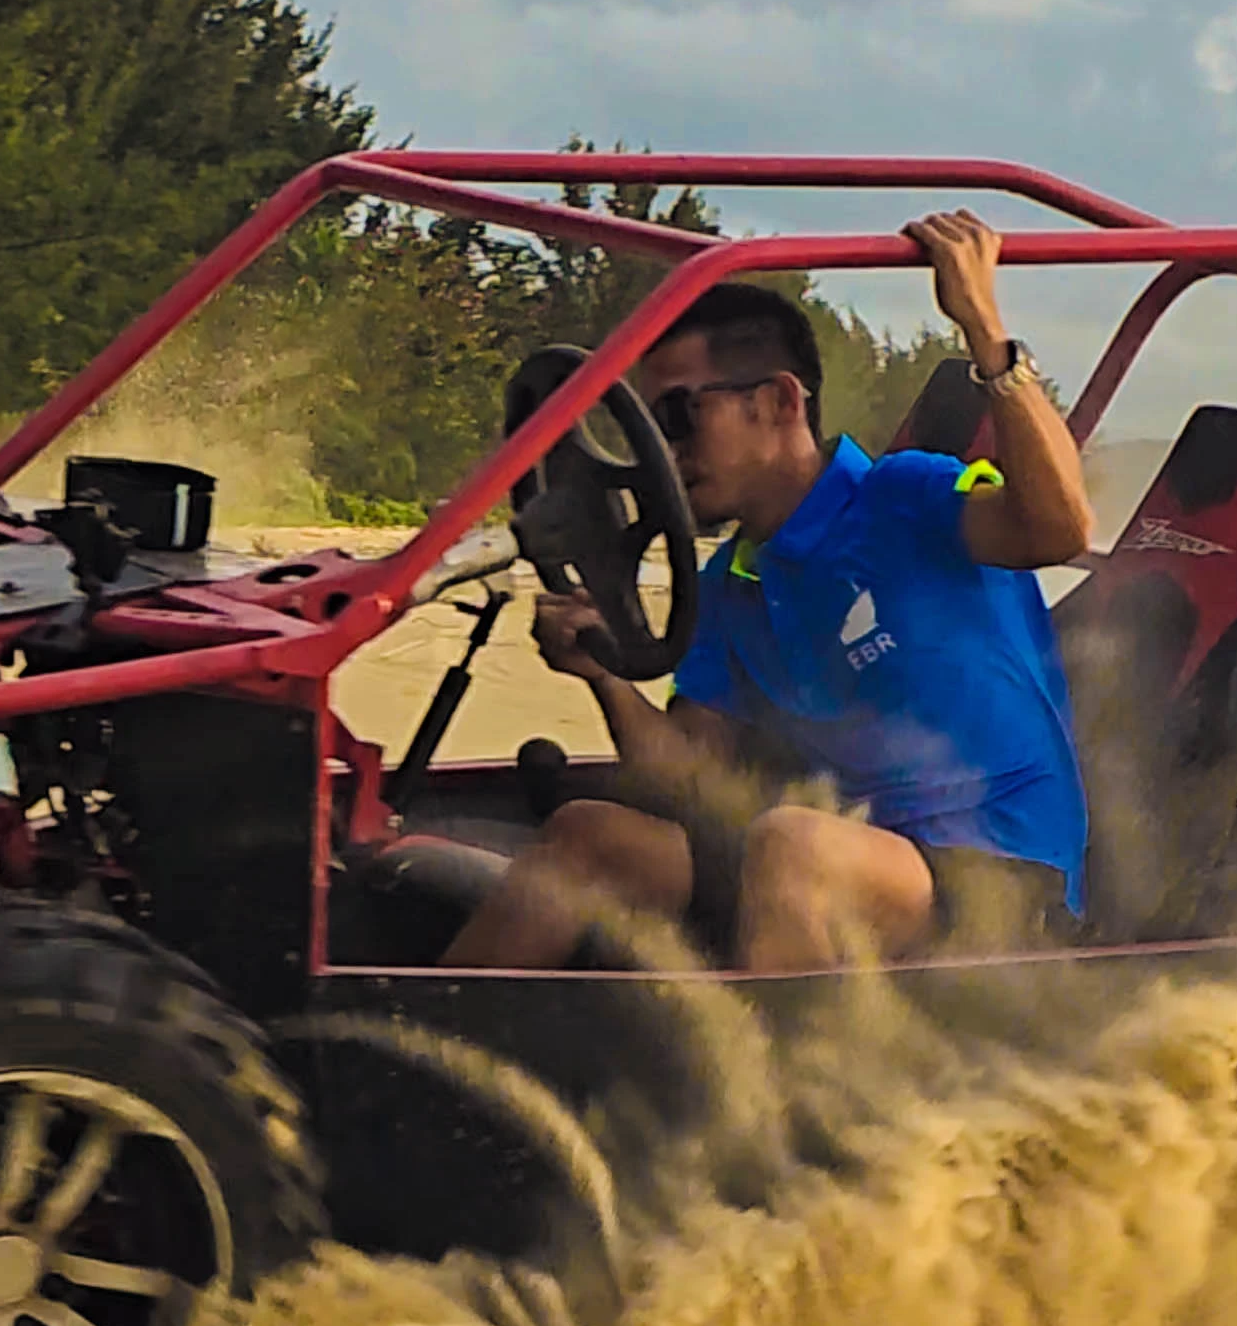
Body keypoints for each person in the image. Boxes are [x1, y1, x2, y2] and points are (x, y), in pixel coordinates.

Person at [441, 211, 1096, 972]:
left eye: (681, 418)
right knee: (591, 836)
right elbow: (689, 776)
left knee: (789, 843)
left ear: (780, 402)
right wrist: (603, 675)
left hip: (1004, 880)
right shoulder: (731, 585)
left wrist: (984, 330)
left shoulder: (907, 498)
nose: (664, 452)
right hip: (854, 868)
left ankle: (788, 1086)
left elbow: (1059, 530)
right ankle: (402, 1059)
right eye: (651, 427)